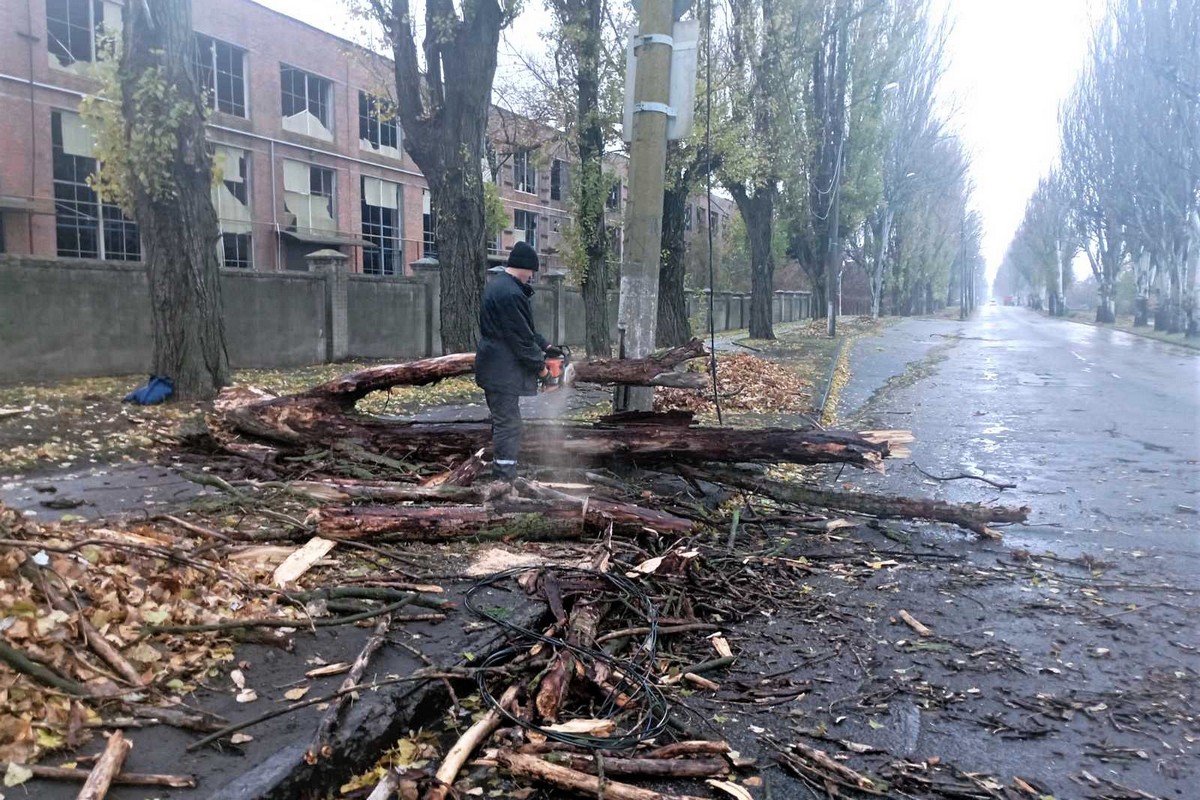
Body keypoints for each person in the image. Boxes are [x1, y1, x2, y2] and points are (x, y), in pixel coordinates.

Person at [475, 241, 550, 481]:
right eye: (531, 273)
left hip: (496, 369)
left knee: (504, 423)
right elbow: (520, 341)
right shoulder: (511, 294)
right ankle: (503, 481)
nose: (531, 278)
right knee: (509, 426)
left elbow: (524, 331)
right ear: (526, 268)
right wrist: (542, 370)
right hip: (502, 372)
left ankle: (503, 473)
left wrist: (547, 347)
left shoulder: (500, 287)